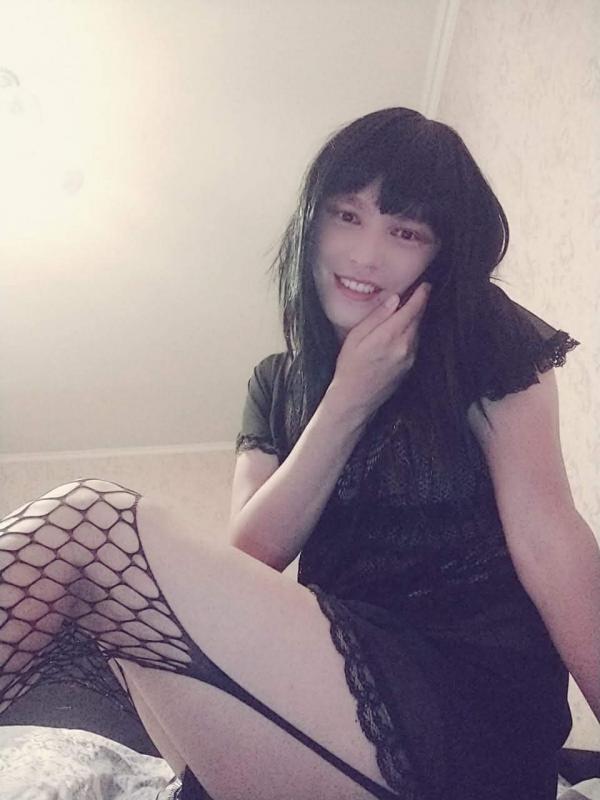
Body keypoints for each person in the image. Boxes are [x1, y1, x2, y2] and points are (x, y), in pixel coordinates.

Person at [0, 108, 598, 800]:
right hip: (333, 705)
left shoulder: (474, 331)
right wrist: (348, 399)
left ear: (438, 253)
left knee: (90, 525)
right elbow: (248, 559)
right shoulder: (276, 383)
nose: (365, 255)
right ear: (312, 222)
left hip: (466, 705)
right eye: (348, 215)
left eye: (405, 232)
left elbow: (550, 539)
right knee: (110, 609)